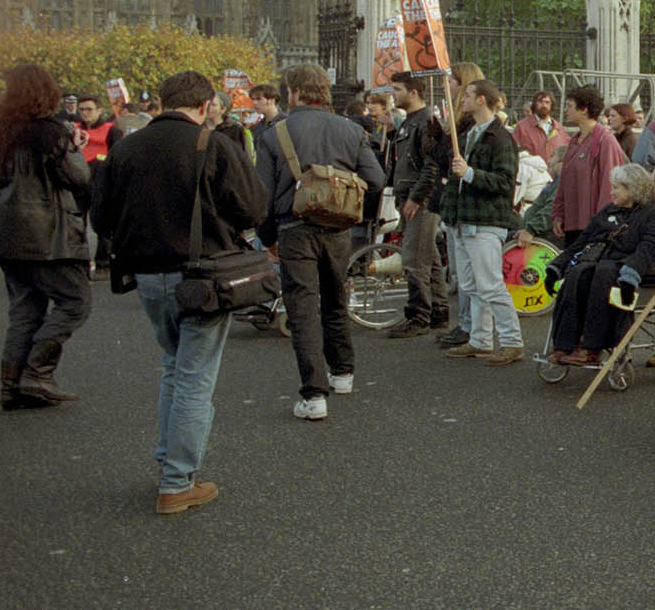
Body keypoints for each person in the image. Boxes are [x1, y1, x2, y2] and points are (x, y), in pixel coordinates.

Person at [93, 71, 267, 514]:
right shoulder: (212, 145)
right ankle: (176, 481)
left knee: (173, 365)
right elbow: (253, 208)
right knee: (194, 377)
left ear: (163, 100)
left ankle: (165, 461)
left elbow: (101, 218)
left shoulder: (126, 147)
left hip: (147, 275)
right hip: (202, 276)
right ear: (207, 102)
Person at [255, 63, 386, 419]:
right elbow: (375, 178)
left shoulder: (274, 134)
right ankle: (342, 373)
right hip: (339, 227)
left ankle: (314, 395)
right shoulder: (349, 129)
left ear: (293, 92)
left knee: (302, 307)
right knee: (335, 297)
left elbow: (261, 194)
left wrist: (267, 238)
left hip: (294, 227)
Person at [0, 61, 93, 408]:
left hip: (4, 231)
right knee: (75, 302)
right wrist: (76, 148)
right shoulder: (50, 133)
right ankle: (36, 373)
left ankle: (10, 385)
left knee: (25, 309)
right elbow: (78, 178)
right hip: (48, 234)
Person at [543, 164, 655, 366]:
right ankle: (565, 345)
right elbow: (582, 241)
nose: (611, 191)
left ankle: (592, 347)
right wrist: (556, 267)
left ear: (633, 189)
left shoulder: (654, 214)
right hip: (599, 262)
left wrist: (631, 275)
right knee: (579, 272)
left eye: (616, 187)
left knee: (604, 273)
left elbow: (651, 248)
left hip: (633, 267)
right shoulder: (607, 212)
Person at [437, 80, 526, 366]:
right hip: (463, 219)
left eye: (468, 96)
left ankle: (512, 341)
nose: (462, 99)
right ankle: (480, 339)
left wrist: (470, 173)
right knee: (471, 286)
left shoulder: (500, 138)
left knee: (489, 285)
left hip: (486, 220)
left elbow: (504, 182)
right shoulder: (469, 134)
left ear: (482, 100)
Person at [384, 72, 449, 337]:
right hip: (410, 194)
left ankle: (418, 314)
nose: (393, 94)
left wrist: (416, 196)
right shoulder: (408, 122)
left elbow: (432, 165)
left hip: (420, 198)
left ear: (413, 92)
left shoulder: (425, 122)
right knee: (429, 256)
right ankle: (438, 311)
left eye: (397, 89)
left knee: (414, 260)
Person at [550, 85, 623, 245]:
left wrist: (602, 222)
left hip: (594, 229)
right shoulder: (574, 142)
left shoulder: (605, 141)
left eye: (569, 105)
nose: (565, 110)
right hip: (572, 226)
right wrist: (559, 214)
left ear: (583, 109)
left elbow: (610, 185)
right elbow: (564, 182)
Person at [74, 93, 121, 277]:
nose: (85, 113)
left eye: (89, 109)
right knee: (76, 225)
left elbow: (116, 155)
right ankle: (80, 264)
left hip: (100, 182)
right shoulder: (74, 129)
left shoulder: (111, 130)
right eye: (82, 110)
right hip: (78, 183)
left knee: (102, 225)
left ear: (99, 110)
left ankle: (103, 263)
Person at [513, 90, 569, 168]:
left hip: (554, 176)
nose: (544, 105)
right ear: (534, 104)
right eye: (540, 102)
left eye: (547, 102)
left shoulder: (559, 129)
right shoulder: (522, 127)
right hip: (531, 176)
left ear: (551, 105)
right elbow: (514, 152)